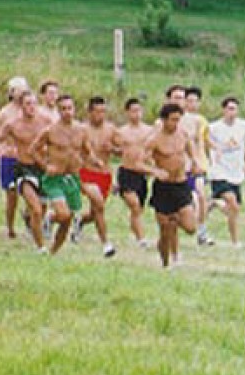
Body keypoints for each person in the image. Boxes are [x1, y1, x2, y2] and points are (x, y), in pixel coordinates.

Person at [30, 94, 99, 255]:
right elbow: (33, 150)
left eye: (70, 108)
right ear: (58, 111)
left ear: (74, 109)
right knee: (63, 214)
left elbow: (87, 151)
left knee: (68, 219)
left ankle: (53, 253)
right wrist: (45, 165)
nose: (67, 112)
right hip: (54, 179)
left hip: (72, 178)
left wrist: (96, 162)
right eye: (63, 109)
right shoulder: (50, 131)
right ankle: (50, 218)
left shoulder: (81, 130)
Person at [0, 90, 54, 252]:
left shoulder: (46, 121)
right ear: (20, 106)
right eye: (28, 104)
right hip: (23, 169)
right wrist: (4, 149)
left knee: (41, 209)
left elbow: (56, 139)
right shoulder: (13, 124)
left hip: (41, 168)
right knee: (36, 209)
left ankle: (30, 220)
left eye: (34, 103)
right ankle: (41, 247)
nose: (32, 107)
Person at [146, 102, 201, 268]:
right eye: (172, 120)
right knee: (164, 230)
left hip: (181, 184)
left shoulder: (183, 134)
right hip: (163, 187)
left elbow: (192, 151)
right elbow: (140, 161)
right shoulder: (154, 139)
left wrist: (196, 163)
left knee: (191, 227)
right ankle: (165, 264)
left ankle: (175, 219)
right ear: (163, 120)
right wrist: (155, 171)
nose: (175, 124)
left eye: (178, 120)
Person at [207, 96, 245, 247]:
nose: (232, 112)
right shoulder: (214, 128)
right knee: (232, 204)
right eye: (229, 109)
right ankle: (235, 241)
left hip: (236, 173)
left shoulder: (244, 127)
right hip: (219, 172)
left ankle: (213, 203)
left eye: (234, 109)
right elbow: (205, 143)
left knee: (234, 209)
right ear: (223, 110)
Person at [75, 96, 119, 257]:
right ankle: (106, 244)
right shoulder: (81, 129)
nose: (101, 115)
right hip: (85, 173)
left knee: (96, 212)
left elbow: (123, 150)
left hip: (104, 174)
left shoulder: (111, 129)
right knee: (99, 203)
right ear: (90, 112)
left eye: (103, 111)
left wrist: (113, 149)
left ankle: (78, 221)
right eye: (98, 111)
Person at [0, 75, 29, 238]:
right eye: (18, 90)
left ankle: (30, 218)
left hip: (26, 157)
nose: (21, 94)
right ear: (11, 92)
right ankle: (10, 227)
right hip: (9, 157)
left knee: (31, 192)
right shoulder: (5, 113)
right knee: (12, 194)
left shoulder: (29, 110)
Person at [116, 97, 154, 246]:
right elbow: (114, 149)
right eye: (133, 111)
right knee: (134, 204)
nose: (136, 114)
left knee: (138, 209)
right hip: (126, 172)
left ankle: (136, 233)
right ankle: (142, 239)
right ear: (127, 113)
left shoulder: (149, 131)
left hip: (141, 174)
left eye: (139, 110)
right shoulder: (121, 132)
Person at [184, 85, 214, 246]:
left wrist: (214, 153)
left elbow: (204, 141)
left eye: (195, 101)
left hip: (199, 164)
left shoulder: (201, 121)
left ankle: (202, 231)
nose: (192, 104)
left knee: (201, 196)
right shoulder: (179, 119)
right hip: (185, 166)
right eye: (189, 100)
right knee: (192, 199)